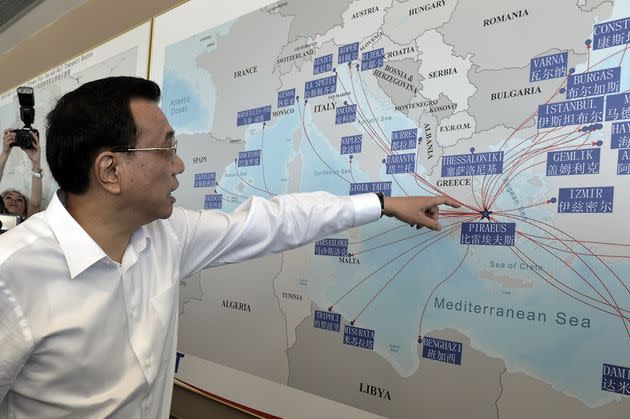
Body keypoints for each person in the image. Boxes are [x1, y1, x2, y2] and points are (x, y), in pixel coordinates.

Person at [0, 76, 460, 418]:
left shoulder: (167, 236)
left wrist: (382, 204)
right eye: (165, 149)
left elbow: (274, 222)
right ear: (110, 170)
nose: (179, 164)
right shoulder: (14, 273)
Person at [0, 129, 43, 219]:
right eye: (8, 198)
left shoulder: (29, 222)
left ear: (25, 210)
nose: (13, 201)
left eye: (19, 200)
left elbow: (35, 204)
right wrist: (5, 152)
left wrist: (36, 162)